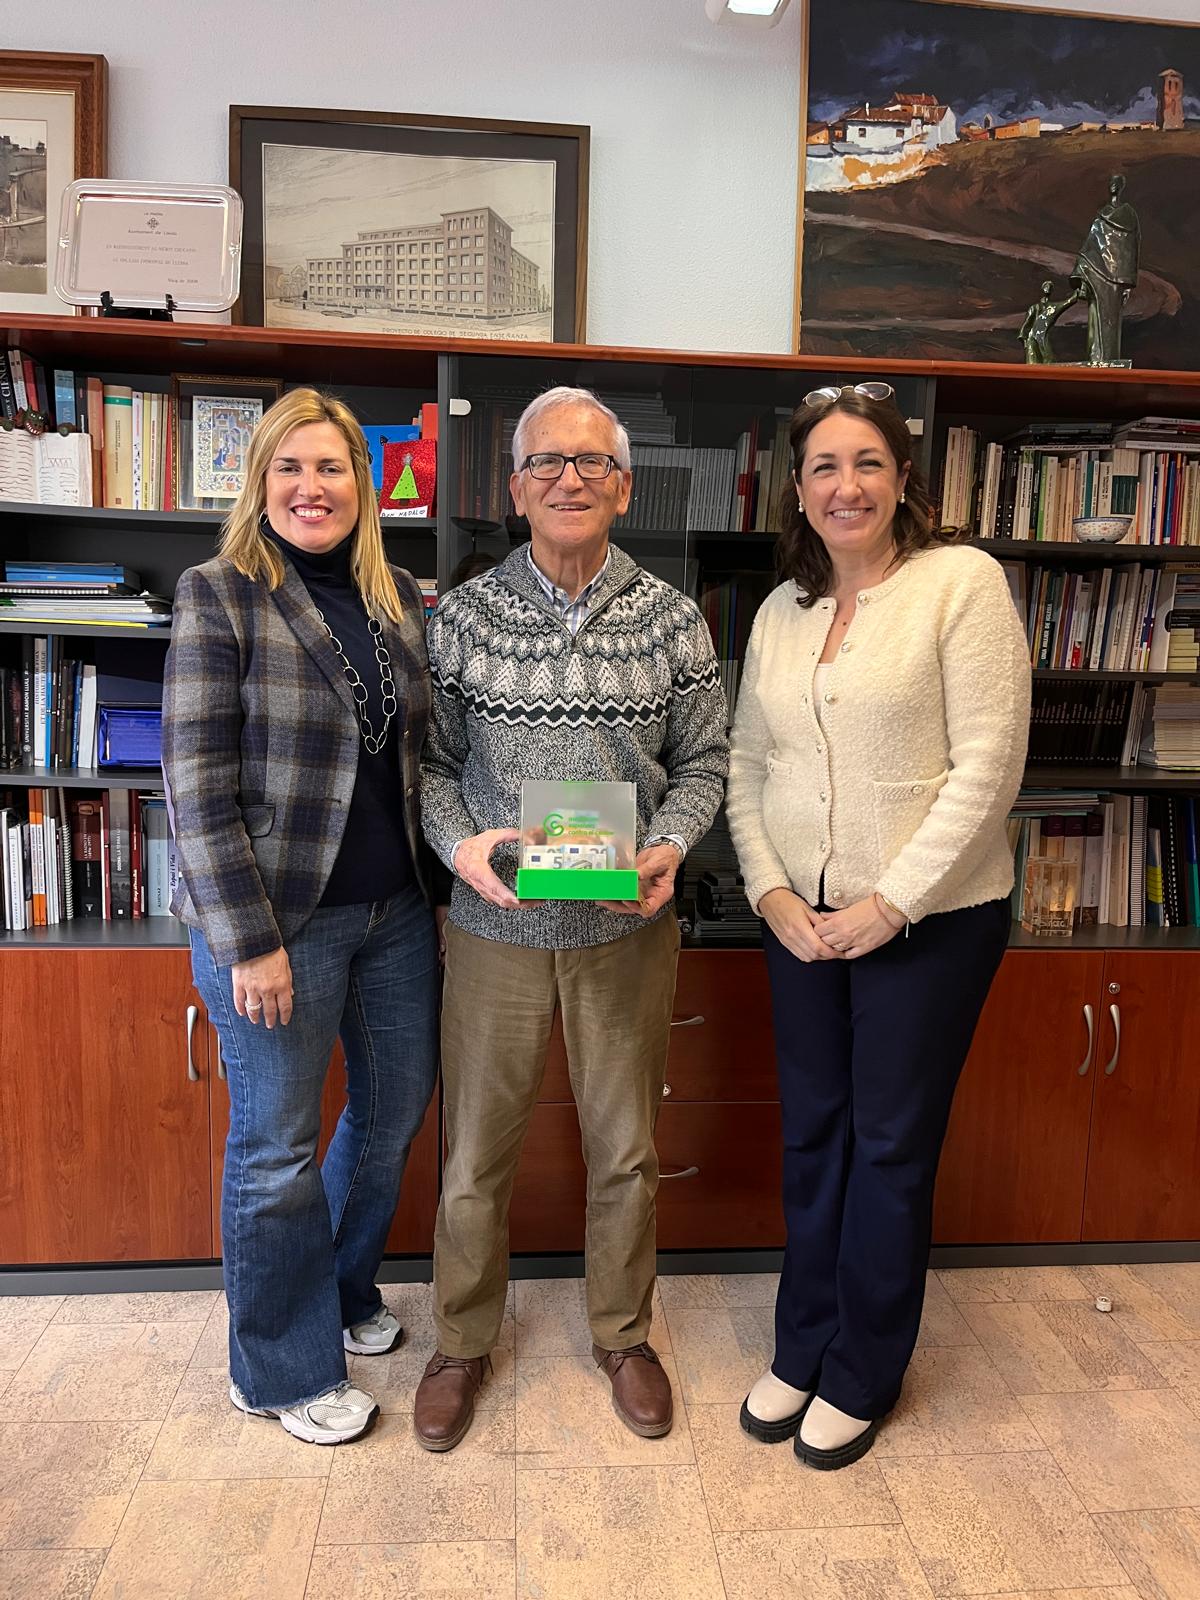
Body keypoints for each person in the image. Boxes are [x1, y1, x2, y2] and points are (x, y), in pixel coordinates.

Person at [415, 384, 729, 1451]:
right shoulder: (461, 618)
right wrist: (460, 846)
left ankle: (623, 1335)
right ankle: (460, 1342)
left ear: (623, 486)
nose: (569, 479)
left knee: (626, 1152)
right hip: (494, 928)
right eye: (546, 462)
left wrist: (670, 843)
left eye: (592, 462)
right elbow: (433, 767)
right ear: (516, 488)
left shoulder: (674, 619)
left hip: (624, 931)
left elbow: (706, 761)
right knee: (474, 1155)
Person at [725, 384, 1030, 1470]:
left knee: (890, 1147)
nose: (844, 485)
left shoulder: (960, 584)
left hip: (930, 923)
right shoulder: (781, 610)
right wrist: (771, 893)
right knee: (813, 1135)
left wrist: (889, 902)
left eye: (866, 463)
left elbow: (989, 767)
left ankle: (862, 1367)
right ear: (798, 490)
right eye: (823, 466)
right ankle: (802, 1343)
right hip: (800, 923)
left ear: (903, 479)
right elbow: (748, 764)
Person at [162, 387, 443, 1446]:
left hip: (395, 913)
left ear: (362, 485)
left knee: (392, 1113)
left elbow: (419, 756)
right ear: (261, 481)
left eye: (330, 468)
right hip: (278, 922)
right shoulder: (220, 594)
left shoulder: (394, 595)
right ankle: (277, 1369)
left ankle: (338, 1285)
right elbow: (195, 783)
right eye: (290, 467)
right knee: (276, 1148)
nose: (310, 487)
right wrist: (250, 942)